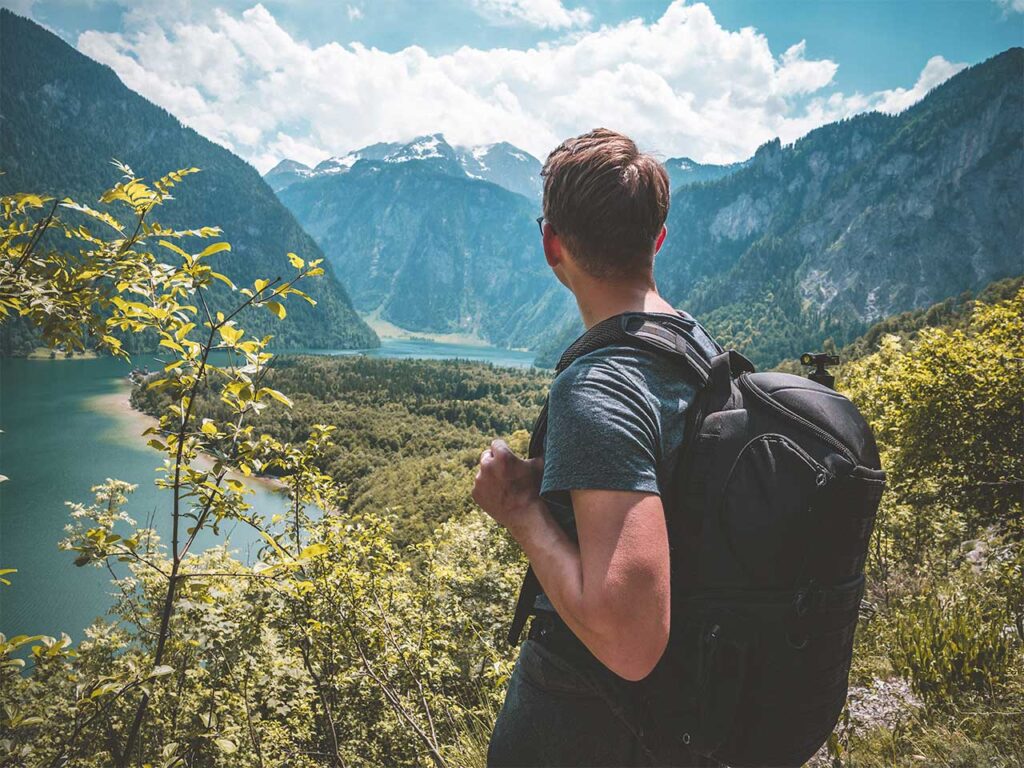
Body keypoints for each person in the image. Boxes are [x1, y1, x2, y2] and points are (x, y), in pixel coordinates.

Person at [472, 128, 720, 767]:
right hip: (676, 723)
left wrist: (520, 511)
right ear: (657, 238)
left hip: (593, 729)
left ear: (551, 244)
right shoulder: (698, 352)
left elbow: (630, 636)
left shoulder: (599, 385)